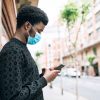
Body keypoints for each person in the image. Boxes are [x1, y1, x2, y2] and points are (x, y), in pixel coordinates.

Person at [0, 5, 60, 100]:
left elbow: (26, 81)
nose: (39, 35)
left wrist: (43, 76)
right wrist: (44, 80)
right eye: (39, 31)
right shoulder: (12, 50)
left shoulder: (21, 48)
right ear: (27, 26)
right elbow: (13, 97)